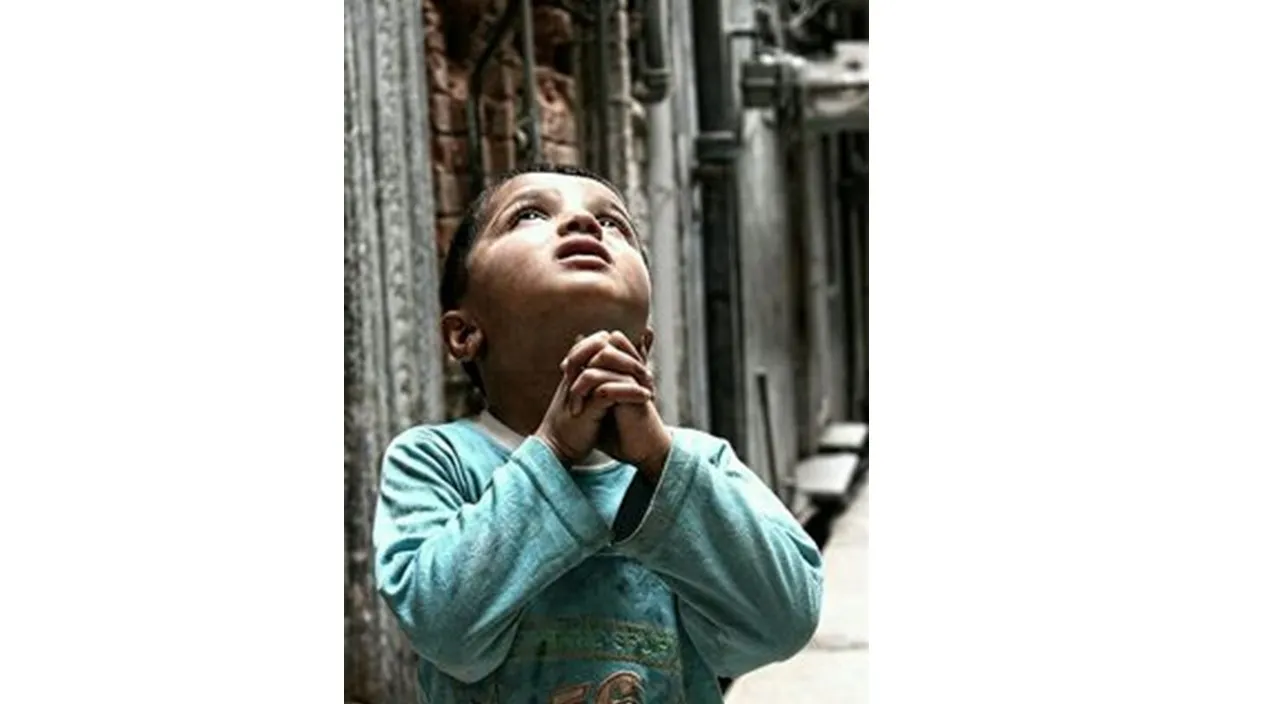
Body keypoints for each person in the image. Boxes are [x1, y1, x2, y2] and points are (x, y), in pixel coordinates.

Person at [373, 163, 823, 703]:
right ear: (464, 332)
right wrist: (554, 451)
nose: (584, 222)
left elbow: (784, 621)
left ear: (644, 345)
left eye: (615, 224)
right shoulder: (434, 459)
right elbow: (444, 628)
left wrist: (659, 460)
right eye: (530, 215)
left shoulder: (697, 464)